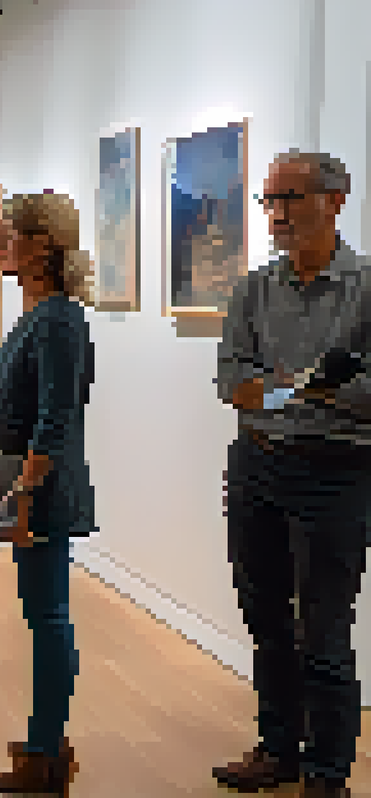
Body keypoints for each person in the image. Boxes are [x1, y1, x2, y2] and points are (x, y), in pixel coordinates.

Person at [213, 150, 371, 798]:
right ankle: (278, 746)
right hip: (257, 465)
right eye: (269, 201)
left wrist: (294, 391)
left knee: (325, 627)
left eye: (291, 199)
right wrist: (314, 387)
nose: (276, 215)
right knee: (265, 617)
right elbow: (232, 379)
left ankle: (327, 771)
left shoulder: (365, 289)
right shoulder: (255, 288)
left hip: (337, 472)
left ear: (337, 198)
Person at [0, 190, 97, 795]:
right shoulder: (41, 314)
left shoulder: (56, 320)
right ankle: (43, 743)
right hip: (26, 487)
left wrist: (22, 494)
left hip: (40, 492)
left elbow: (53, 419)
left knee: (49, 617)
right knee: (41, 614)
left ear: (42, 245)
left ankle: (46, 751)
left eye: (9, 235)